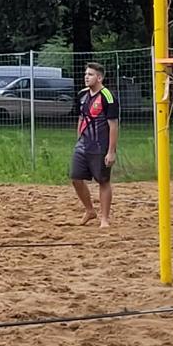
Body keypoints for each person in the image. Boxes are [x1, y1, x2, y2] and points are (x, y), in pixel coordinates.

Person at [71, 61, 120, 228]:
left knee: (103, 181)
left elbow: (113, 125)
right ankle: (90, 210)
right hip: (83, 144)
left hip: (100, 146)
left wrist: (111, 151)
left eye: (90, 74)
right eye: (86, 74)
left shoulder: (108, 97)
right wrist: (78, 139)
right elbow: (81, 118)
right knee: (75, 178)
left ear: (99, 78)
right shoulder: (82, 95)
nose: (86, 77)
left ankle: (104, 219)